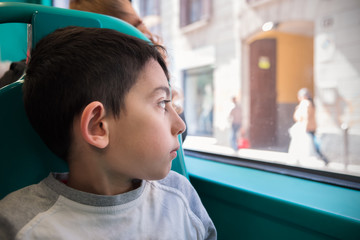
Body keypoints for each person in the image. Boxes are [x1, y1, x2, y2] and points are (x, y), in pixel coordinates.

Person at [0, 26, 216, 239]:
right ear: (98, 126)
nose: (180, 125)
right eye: (161, 103)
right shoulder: (18, 225)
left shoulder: (180, 197)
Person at [288, 88, 329, 165]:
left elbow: (305, 116)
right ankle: (323, 158)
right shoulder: (310, 103)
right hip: (310, 127)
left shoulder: (305, 103)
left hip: (306, 128)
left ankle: (322, 158)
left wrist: (305, 127)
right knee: (313, 144)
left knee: (309, 144)